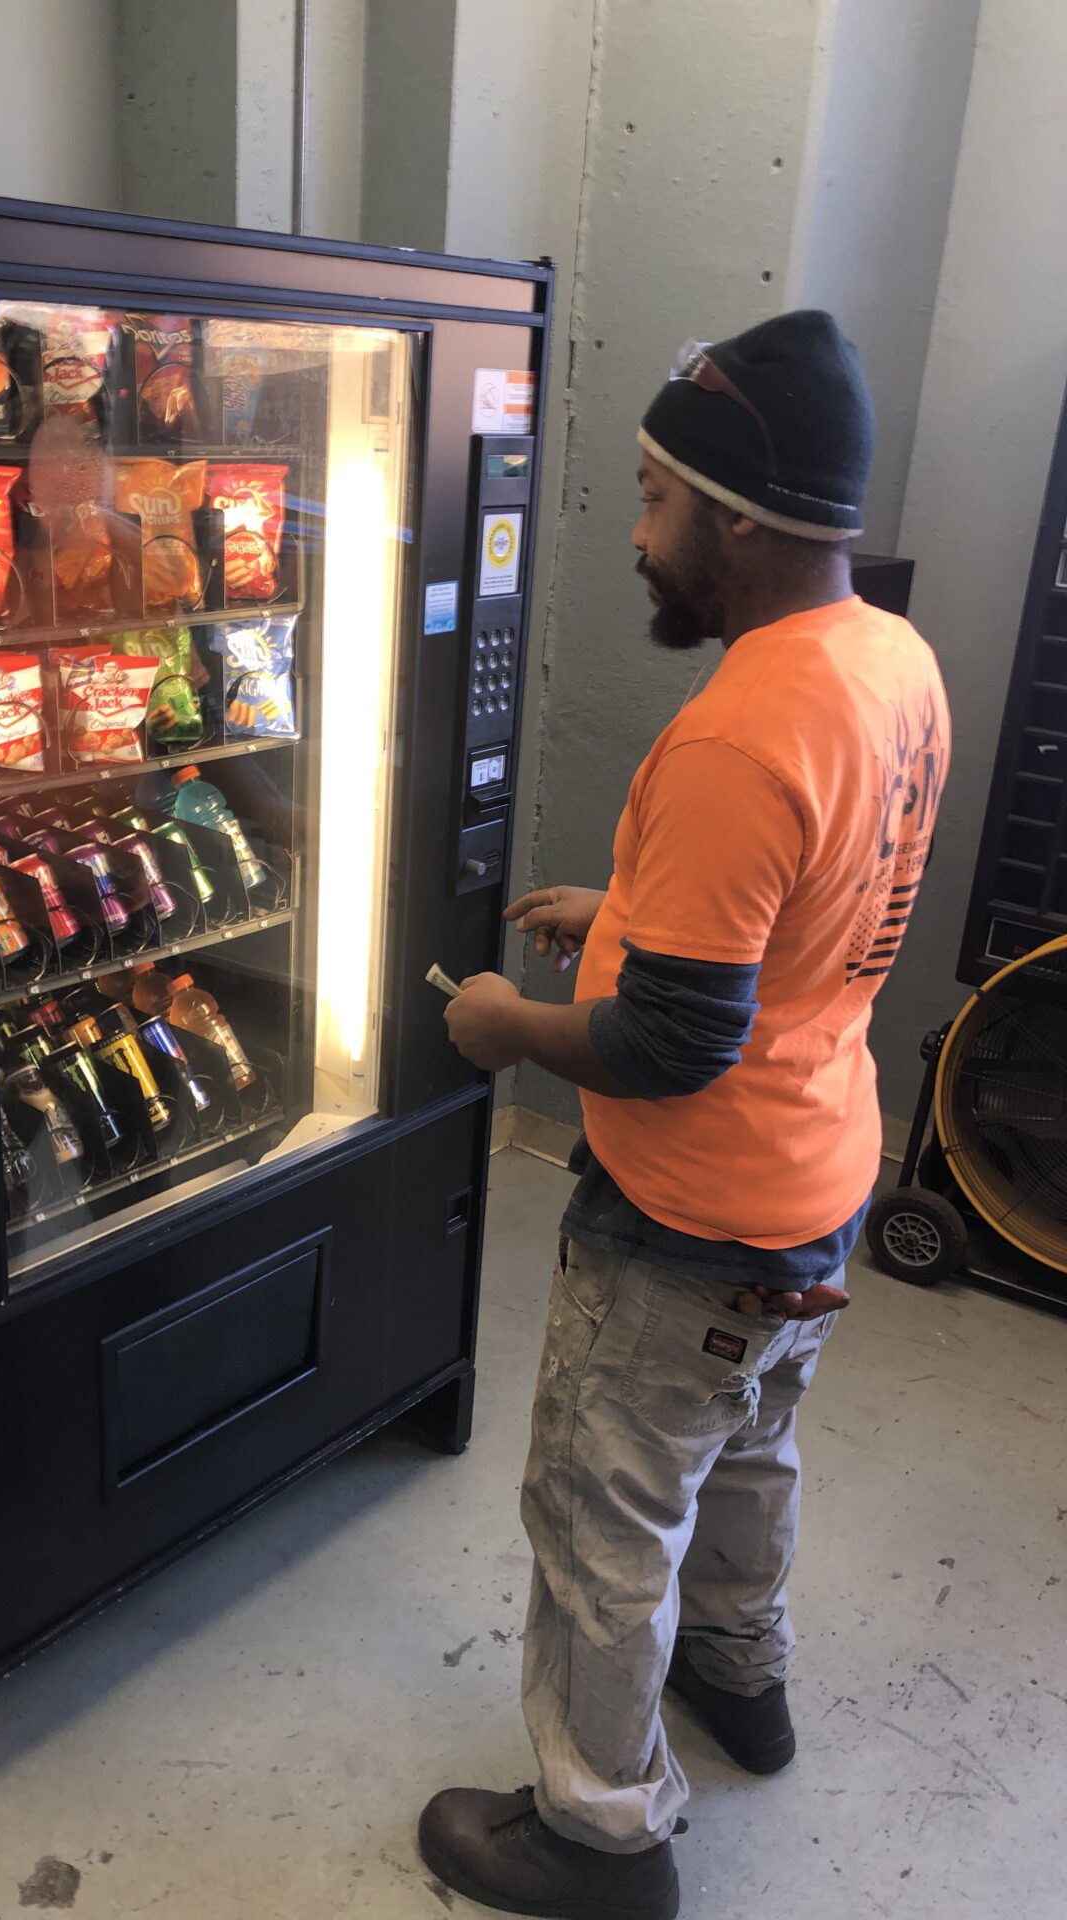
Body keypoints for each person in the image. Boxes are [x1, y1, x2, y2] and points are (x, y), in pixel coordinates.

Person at [418, 310, 950, 1920]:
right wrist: (632, 911)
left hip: (688, 1219)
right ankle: (743, 1678)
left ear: (736, 517)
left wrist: (506, 1028)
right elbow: (803, 915)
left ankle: (598, 1835)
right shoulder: (886, 657)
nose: (636, 534)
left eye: (653, 498)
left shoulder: (736, 728)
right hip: (819, 1179)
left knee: (601, 1506)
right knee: (751, 1452)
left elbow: (670, 1046)